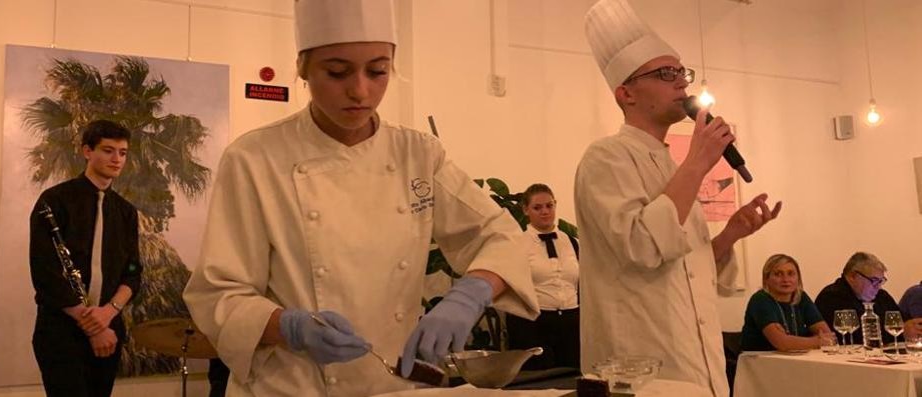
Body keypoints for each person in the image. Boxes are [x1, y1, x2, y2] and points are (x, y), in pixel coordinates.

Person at [181, 1, 538, 396]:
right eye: (337, 72)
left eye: (377, 71)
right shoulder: (254, 158)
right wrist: (288, 327)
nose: (360, 90)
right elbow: (218, 293)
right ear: (302, 67)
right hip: (291, 386)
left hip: (391, 384)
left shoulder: (418, 153)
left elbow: (498, 236)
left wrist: (470, 295)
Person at [577, 1, 782, 396]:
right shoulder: (605, 157)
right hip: (639, 363)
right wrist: (698, 163)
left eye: (682, 72)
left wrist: (729, 236)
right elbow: (641, 246)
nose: (681, 84)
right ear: (626, 93)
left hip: (694, 356)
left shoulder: (674, 167)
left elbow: (687, 266)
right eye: (665, 73)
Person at [28, 120, 142, 397]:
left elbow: (133, 272)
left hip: (109, 327)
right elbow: (46, 273)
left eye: (123, 152)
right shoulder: (54, 200)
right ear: (87, 151)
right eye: (108, 150)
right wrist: (91, 325)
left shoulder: (126, 211)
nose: (117, 159)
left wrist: (107, 314)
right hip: (61, 330)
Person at [505, 183, 580, 370]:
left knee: (573, 380)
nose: (545, 211)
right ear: (526, 210)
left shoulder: (572, 242)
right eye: (537, 208)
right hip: (534, 325)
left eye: (549, 205)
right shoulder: (517, 244)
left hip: (571, 323)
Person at [740, 254, 830, 352]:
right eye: (778, 274)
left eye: (791, 274)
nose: (785, 280)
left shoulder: (800, 297)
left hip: (794, 358)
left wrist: (794, 342)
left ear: (798, 278)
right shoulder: (760, 299)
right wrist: (816, 341)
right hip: (760, 361)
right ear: (766, 279)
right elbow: (782, 343)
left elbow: (827, 336)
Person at [815, 252, 908, 345]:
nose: (878, 287)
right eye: (874, 281)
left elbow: (900, 325)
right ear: (853, 276)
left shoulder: (882, 297)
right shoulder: (831, 297)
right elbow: (850, 338)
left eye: (881, 281)